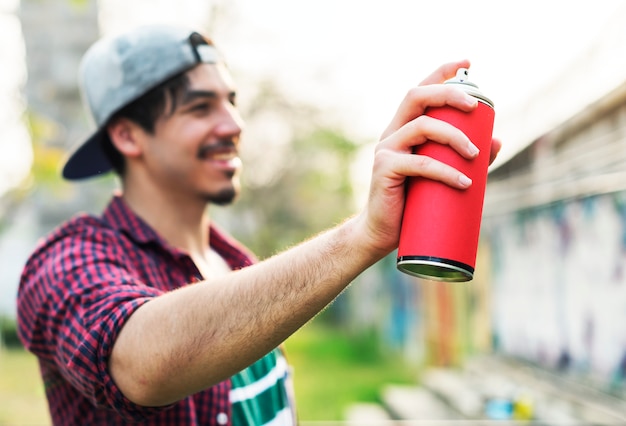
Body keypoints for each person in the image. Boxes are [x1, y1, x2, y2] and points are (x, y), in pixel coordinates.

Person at [16, 24, 502, 426]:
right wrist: (361, 235)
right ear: (127, 135)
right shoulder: (64, 261)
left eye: (230, 101)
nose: (233, 123)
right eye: (199, 107)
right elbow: (138, 364)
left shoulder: (236, 263)